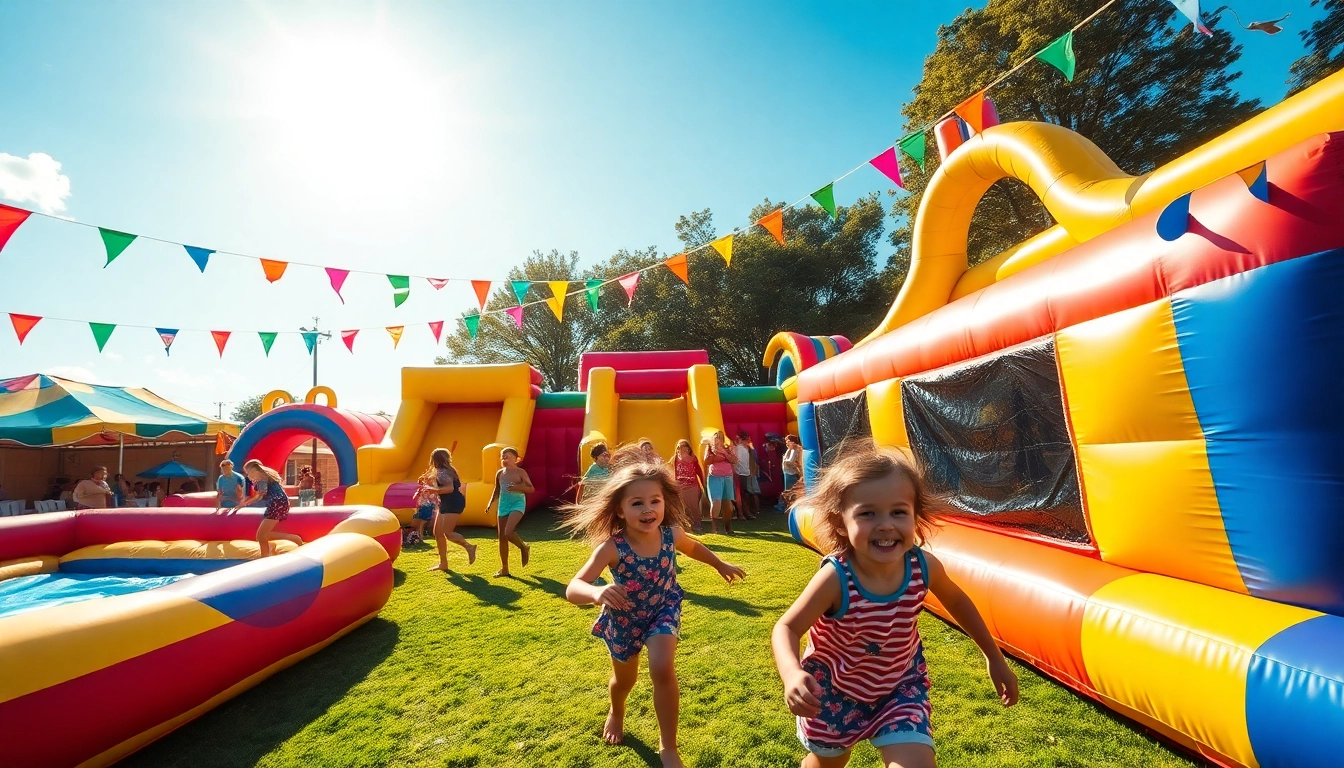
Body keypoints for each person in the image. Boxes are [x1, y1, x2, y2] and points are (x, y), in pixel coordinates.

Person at [771, 444, 1017, 768]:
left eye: (898, 512)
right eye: (868, 513)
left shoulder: (923, 567)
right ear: (841, 522)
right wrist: (791, 674)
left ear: (916, 515)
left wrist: (994, 657)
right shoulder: (836, 578)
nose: (886, 524)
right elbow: (787, 627)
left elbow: (958, 601)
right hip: (832, 691)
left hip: (900, 687)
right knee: (829, 762)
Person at [563, 459, 746, 768]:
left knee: (662, 667)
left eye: (655, 501)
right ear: (620, 510)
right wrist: (596, 593)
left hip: (663, 608)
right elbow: (573, 586)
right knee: (624, 683)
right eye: (637, 503)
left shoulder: (670, 534)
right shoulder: (612, 547)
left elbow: (693, 547)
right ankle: (616, 711)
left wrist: (720, 564)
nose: (648, 509)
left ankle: (668, 746)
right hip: (624, 618)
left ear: (664, 503)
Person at [229, 459, 305, 557]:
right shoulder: (266, 478)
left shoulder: (262, 479)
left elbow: (259, 496)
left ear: (255, 471)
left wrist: (243, 504)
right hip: (280, 502)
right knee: (261, 536)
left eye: (248, 472)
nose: (248, 476)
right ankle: (265, 556)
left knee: (261, 535)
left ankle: (294, 538)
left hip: (277, 503)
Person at [423, 448, 475, 572]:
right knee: (438, 533)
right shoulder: (444, 471)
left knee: (447, 533)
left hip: (452, 502)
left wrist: (432, 490)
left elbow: (449, 488)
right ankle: (443, 563)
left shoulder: (443, 473)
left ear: (434, 459)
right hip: (446, 502)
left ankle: (469, 547)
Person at [486, 447, 534, 578]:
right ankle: (505, 569)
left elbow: (531, 489)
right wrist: (490, 503)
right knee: (502, 537)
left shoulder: (520, 472)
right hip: (503, 505)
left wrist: (516, 487)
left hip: (517, 504)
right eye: (502, 456)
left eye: (506, 455)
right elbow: (497, 489)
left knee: (508, 532)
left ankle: (523, 547)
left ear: (515, 458)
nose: (503, 458)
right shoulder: (500, 473)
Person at [700, 431, 736, 534]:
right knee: (716, 502)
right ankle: (715, 527)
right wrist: (716, 456)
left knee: (728, 503)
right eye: (715, 438)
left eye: (719, 438)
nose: (717, 440)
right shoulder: (710, 449)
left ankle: (728, 526)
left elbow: (734, 460)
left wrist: (724, 454)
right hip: (715, 477)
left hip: (728, 477)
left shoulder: (728, 449)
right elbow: (706, 462)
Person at [670, 439, 705, 532]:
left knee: (694, 506)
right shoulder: (675, 459)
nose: (682, 448)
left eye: (685, 446)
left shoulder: (693, 458)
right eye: (680, 446)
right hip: (680, 486)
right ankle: (685, 525)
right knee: (683, 506)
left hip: (692, 485)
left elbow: (699, 472)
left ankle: (697, 523)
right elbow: (669, 469)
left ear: (689, 448)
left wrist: (703, 483)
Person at [733, 431, 760, 520]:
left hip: (745, 472)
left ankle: (745, 512)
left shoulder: (744, 448)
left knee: (745, 494)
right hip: (742, 473)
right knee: (744, 494)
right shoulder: (740, 449)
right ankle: (744, 512)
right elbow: (738, 460)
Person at [779, 435, 803, 511]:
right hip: (788, 472)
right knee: (789, 490)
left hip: (791, 472)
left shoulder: (795, 449)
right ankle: (789, 505)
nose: (786, 443)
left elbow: (791, 460)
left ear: (792, 441)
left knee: (791, 490)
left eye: (788, 441)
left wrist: (784, 459)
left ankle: (792, 506)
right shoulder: (791, 449)